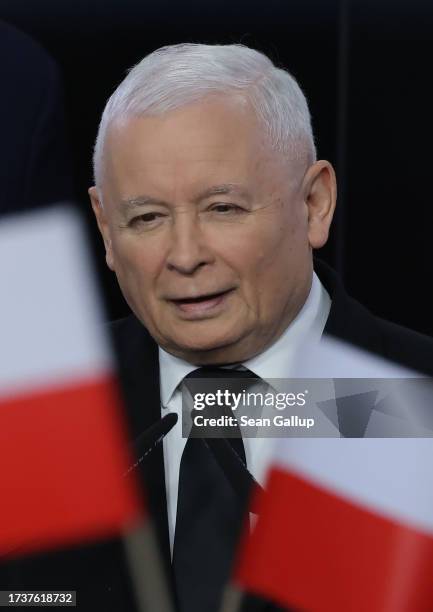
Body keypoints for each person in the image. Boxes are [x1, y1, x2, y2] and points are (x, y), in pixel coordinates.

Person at [88, 43, 433, 612]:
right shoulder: (33, 414)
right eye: (146, 217)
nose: (185, 255)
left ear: (315, 203)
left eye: (223, 208)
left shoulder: (415, 398)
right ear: (106, 228)